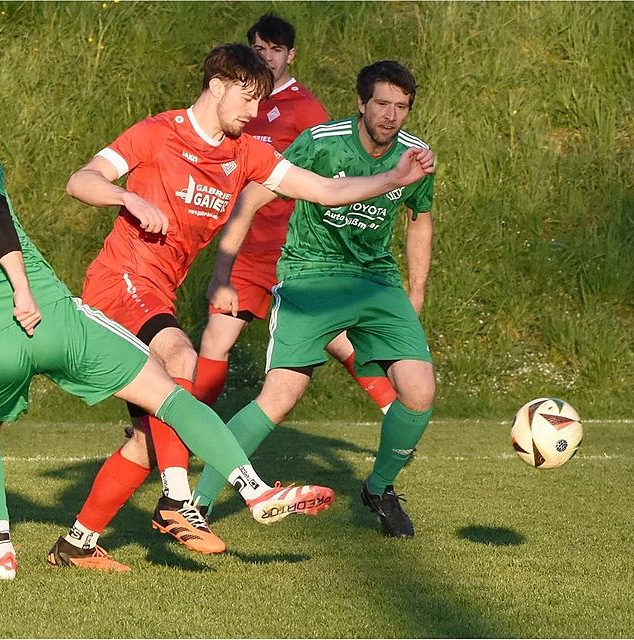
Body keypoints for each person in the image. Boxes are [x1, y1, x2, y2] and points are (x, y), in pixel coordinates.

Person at [0, 101, 337, 579]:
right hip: (51, 318)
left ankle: (0, 556)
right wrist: (20, 288)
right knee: (167, 393)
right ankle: (253, 490)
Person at [65, 45, 434, 555]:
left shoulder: (245, 153)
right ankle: (181, 502)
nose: (254, 112)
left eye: (262, 100)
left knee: (149, 438)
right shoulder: (157, 133)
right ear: (216, 84)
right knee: (182, 357)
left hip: (157, 291)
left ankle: (78, 543)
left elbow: (324, 191)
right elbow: (80, 180)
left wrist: (393, 179)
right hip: (118, 281)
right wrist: (125, 195)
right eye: (247, 97)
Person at [192, 60, 436, 539]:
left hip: (375, 280)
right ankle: (193, 505)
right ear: (361, 103)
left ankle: (379, 487)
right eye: (382, 103)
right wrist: (223, 271)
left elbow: (419, 216)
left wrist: (416, 291)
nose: (390, 115)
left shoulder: (415, 156)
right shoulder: (322, 143)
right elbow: (252, 197)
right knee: (281, 395)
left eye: (401, 107)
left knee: (420, 390)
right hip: (310, 274)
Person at [194, 13, 398, 415]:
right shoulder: (238, 101)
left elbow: (334, 171)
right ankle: (190, 427)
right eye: (259, 49)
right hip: (247, 250)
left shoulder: (305, 110)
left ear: (291, 55)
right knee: (215, 339)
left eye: (275, 49)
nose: (267, 57)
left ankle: (397, 412)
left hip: (293, 249)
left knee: (337, 337)